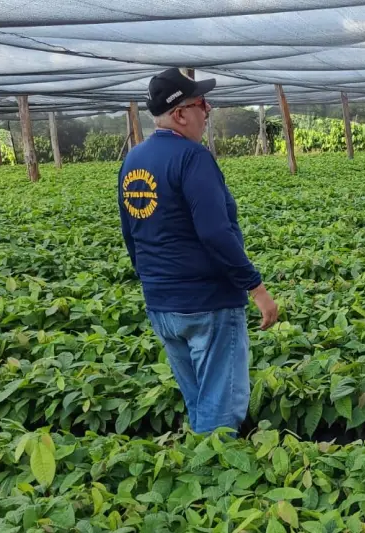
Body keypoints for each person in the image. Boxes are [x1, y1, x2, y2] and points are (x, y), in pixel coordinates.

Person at [117, 67, 278, 434]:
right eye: (202, 104)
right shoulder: (193, 158)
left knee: (201, 404)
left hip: (163, 306)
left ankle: (201, 478)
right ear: (180, 113)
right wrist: (257, 289)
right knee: (220, 414)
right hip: (207, 303)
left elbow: (131, 234)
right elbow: (215, 233)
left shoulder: (133, 161)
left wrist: (157, 284)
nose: (208, 111)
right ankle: (218, 483)